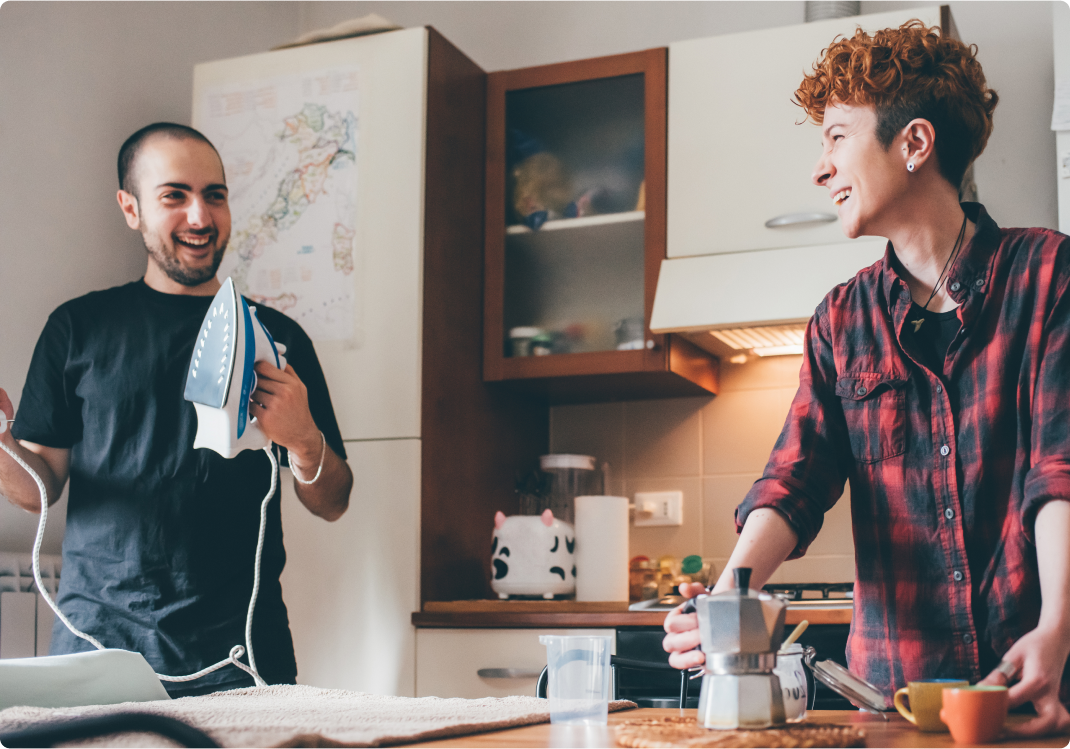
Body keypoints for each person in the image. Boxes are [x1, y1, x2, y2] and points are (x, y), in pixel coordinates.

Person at [662, 21, 1070, 736]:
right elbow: (794, 480)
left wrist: (1057, 628)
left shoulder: (1047, 276)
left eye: (836, 137)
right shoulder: (840, 321)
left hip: (1037, 687)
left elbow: (1059, 470)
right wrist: (730, 593)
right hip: (892, 707)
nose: (820, 169)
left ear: (914, 143)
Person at [0, 122, 354, 697]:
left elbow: (334, 501)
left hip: (242, 654)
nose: (199, 216)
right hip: (96, 648)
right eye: (174, 195)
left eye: (215, 194)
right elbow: (36, 487)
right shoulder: (77, 328)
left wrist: (305, 441)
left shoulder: (276, 337)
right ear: (130, 208)